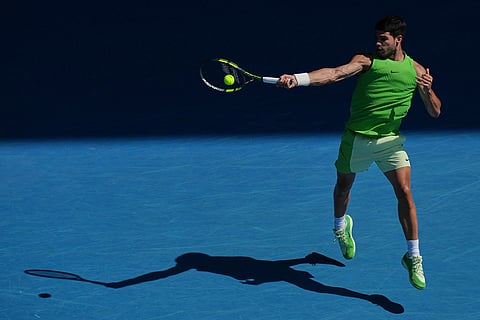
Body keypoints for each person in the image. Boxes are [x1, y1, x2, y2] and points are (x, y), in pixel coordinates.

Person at [277, 15, 441, 290]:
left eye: (383, 39)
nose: (377, 43)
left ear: (398, 39)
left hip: (390, 142)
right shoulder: (366, 61)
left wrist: (426, 91)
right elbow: (334, 73)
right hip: (357, 140)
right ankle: (341, 226)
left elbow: (435, 111)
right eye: (376, 38)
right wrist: (298, 78)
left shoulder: (417, 70)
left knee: (405, 192)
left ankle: (413, 256)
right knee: (344, 186)